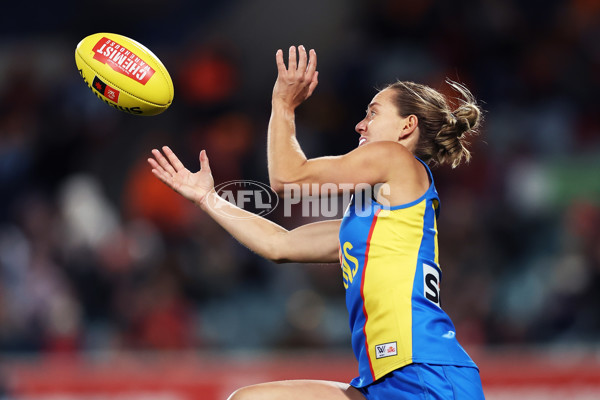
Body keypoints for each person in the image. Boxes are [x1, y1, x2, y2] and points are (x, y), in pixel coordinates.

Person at [148, 45, 485, 399]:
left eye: (373, 113)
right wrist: (208, 198)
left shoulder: (396, 158)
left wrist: (283, 104)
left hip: (426, 373)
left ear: (407, 126)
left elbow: (288, 179)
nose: (361, 124)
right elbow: (278, 245)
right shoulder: (372, 225)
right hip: (385, 381)